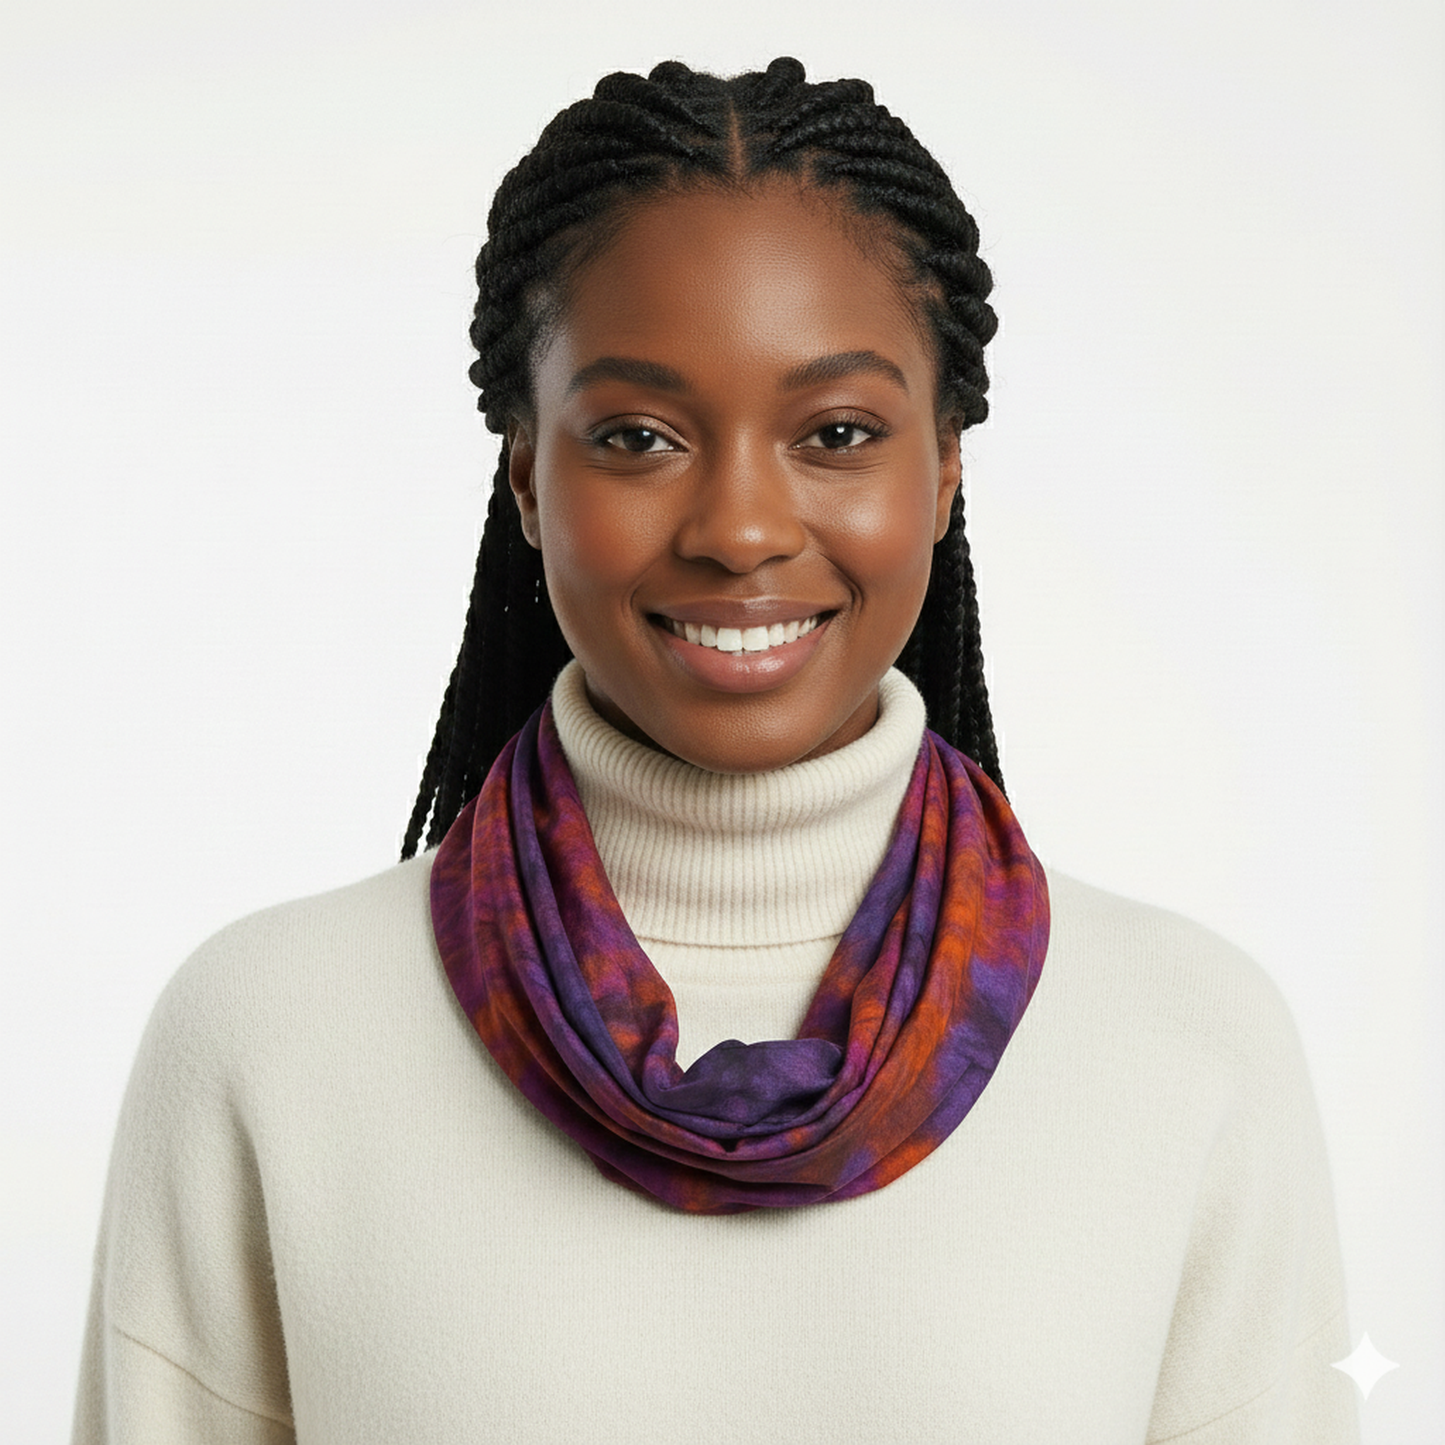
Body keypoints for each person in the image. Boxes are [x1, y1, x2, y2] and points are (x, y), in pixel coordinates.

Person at [73, 57, 1358, 1443]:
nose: (740, 527)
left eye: (838, 433)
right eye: (638, 436)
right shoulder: (268, 1038)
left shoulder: (1190, 1047)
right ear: (524, 474)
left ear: (943, 469)